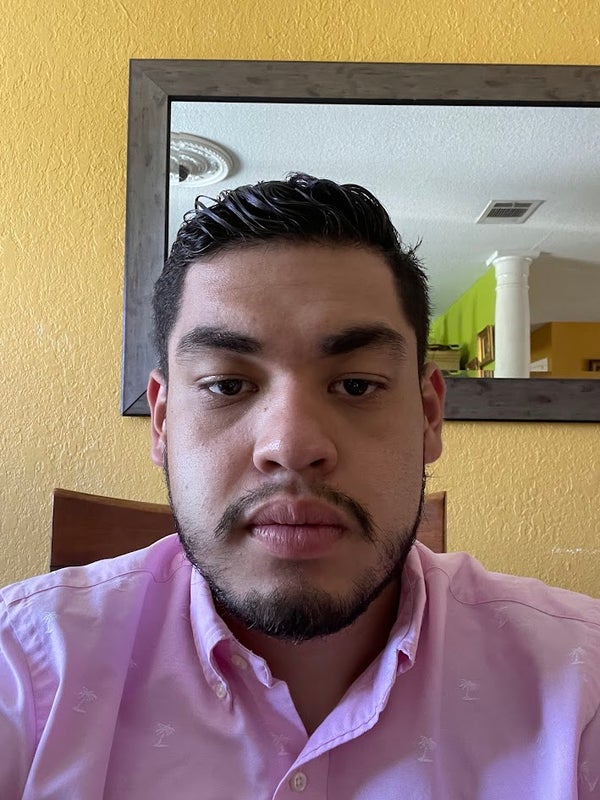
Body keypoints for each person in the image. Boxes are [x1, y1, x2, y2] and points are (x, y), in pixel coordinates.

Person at [0, 174, 598, 798]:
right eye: (227, 385)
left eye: (357, 385)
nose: (291, 446)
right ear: (162, 420)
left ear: (428, 416)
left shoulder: (582, 684)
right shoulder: (23, 668)